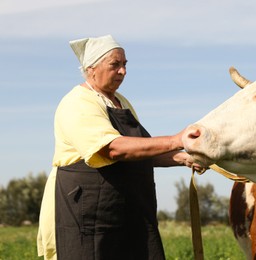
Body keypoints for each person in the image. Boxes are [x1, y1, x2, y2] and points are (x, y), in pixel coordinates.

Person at [37, 35, 203, 260]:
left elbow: (140, 152)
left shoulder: (121, 102)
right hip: (90, 214)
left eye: (124, 65)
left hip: (128, 211)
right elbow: (112, 149)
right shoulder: (77, 102)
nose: (123, 71)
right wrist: (177, 139)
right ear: (91, 68)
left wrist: (184, 158)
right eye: (115, 65)